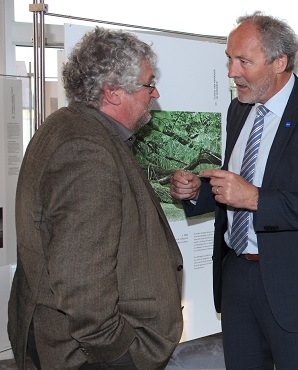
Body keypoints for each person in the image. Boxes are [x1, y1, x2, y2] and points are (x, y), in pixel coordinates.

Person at [169, 12, 298, 369]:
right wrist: (199, 192)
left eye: (243, 61)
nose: (231, 72)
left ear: (279, 62)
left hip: (297, 286)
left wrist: (256, 199)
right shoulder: (238, 110)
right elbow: (236, 185)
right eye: (229, 59)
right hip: (236, 276)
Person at [7, 27, 184, 369]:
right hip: (88, 355)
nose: (155, 92)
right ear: (114, 92)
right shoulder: (86, 150)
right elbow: (80, 282)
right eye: (149, 83)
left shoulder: (70, 127)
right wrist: (120, 353)